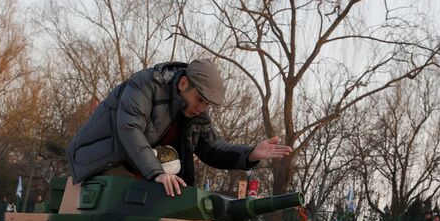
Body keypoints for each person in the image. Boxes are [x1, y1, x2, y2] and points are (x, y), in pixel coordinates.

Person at [66, 59, 292, 196]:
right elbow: (130, 128)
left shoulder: (195, 112)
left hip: (143, 167)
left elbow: (211, 147)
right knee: (138, 199)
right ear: (183, 83)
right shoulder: (145, 84)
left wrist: (250, 153)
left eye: (207, 104)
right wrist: (156, 173)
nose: (202, 108)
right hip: (101, 161)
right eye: (200, 100)